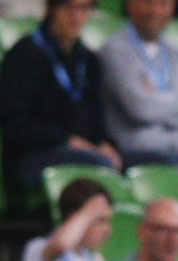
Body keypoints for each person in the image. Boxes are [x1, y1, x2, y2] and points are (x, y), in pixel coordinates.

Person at [0, 0, 122, 196]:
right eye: (68, 7)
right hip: (33, 156)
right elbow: (16, 126)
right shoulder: (24, 54)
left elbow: (98, 118)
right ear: (51, 9)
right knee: (100, 164)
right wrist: (66, 140)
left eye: (83, 8)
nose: (76, 16)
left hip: (85, 152)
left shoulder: (88, 59)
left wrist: (105, 143)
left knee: (141, 163)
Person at [99, 0, 178, 173]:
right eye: (148, 3)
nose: (156, 11)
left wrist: (156, 100)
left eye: (164, 3)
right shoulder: (115, 50)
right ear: (131, 4)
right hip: (136, 152)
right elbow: (142, 109)